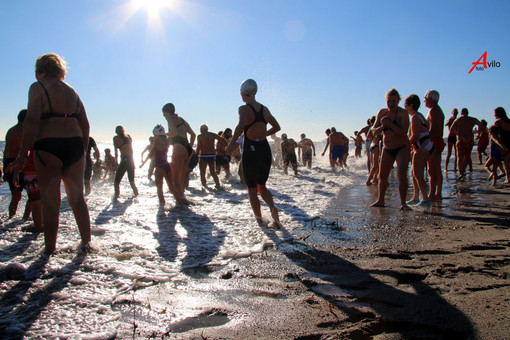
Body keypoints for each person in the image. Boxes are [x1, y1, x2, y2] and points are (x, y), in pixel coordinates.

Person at [6, 53, 91, 254]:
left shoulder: (38, 86)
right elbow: (85, 124)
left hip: (49, 146)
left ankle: (50, 251)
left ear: (41, 70)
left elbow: (32, 119)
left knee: (50, 201)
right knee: (77, 199)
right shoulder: (72, 91)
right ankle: (87, 245)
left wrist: (22, 154)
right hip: (75, 147)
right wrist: (84, 151)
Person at [226, 79, 281, 225]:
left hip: (251, 152)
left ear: (244, 93)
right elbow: (277, 127)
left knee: (252, 190)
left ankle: (260, 222)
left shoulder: (243, 109)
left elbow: (240, 126)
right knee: (262, 186)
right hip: (264, 150)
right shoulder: (265, 109)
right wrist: (263, 133)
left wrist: (231, 144)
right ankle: (272, 207)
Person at [370, 88, 411, 211]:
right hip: (387, 148)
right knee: (382, 176)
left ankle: (403, 203)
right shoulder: (382, 112)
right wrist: (383, 126)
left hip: (402, 147)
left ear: (398, 101)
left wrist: (390, 124)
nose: (391, 104)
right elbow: (373, 131)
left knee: (401, 175)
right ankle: (380, 200)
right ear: (386, 101)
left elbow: (403, 132)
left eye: (394, 101)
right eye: (389, 101)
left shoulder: (403, 113)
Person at [162, 103, 196, 203]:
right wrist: (189, 146)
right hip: (187, 149)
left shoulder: (170, 118)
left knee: (174, 177)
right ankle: (182, 198)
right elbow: (193, 135)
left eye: (163, 113)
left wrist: (162, 135)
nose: (163, 115)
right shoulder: (182, 120)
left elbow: (174, 133)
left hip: (179, 147)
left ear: (167, 112)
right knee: (181, 177)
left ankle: (181, 201)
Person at [405, 94, 433, 207]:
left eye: (406, 105)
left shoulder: (415, 117)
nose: (405, 108)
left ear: (411, 105)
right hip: (424, 147)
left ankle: (425, 199)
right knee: (413, 173)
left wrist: (405, 143)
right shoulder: (420, 116)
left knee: (418, 174)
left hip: (422, 148)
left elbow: (415, 136)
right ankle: (416, 197)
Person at [3, 109, 31, 219]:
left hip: (8, 162)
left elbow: (5, 151)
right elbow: (21, 152)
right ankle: (24, 219)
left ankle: (11, 218)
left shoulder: (11, 130)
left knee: (16, 195)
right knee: (32, 194)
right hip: (16, 163)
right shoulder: (21, 130)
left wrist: (5, 167)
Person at [145, 125, 180, 204]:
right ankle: (181, 203)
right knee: (172, 187)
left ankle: (161, 208)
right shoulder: (167, 140)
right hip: (166, 164)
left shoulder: (157, 140)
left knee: (159, 188)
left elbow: (151, 153)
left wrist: (143, 163)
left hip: (159, 165)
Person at [424, 90, 445, 201]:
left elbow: (434, 130)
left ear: (431, 99)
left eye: (425, 98)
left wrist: (423, 139)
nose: (424, 100)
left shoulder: (434, 111)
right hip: (436, 141)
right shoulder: (436, 110)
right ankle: (436, 193)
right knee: (434, 169)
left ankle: (434, 194)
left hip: (434, 141)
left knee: (433, 169)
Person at [450, 108, 482, 180]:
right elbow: (480, 124)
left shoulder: (458, 120)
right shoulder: (472, 119)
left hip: (461, 139)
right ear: (467, 112)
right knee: (467, 156)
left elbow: (452, 130)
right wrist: (478, 134)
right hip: (469, 139)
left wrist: (458, 133)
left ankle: (461, 172)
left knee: (460, 157)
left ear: (461, 113)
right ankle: (463, 170)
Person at [113, 125, 139, 197]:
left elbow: (116, 152)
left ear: (116, 131)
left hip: (124, 161)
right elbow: (131, 150)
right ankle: (137, 196)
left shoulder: (116, 138)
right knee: (132, 182)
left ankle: (116, 199)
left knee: (116, 182)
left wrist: (116, 162)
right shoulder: (129, 137)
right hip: (131, 161)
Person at [196, 124, 225, 188]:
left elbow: (198, 147)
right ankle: (218, 185)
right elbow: (221, 139)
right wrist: (226, 146)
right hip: (211, 155)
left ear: (201, 130)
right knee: (213, 172)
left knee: (202, 173)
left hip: (203, 155)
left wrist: (196, 155)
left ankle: (204, 186)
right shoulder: (212, 134)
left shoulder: (200, 136)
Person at [493, 107, 510, 183]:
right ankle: (507, 177)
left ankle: (507, 178)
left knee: (505, 161)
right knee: (506, 161)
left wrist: (499, 144)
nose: (494, 115)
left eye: (495, 113)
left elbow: (494, 135)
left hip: (504, 145)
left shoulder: (498, 123)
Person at [366, 117, 381, 186]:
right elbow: (379, 137)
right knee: (375, 165)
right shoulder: (378, 128)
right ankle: (369, 180)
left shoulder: (371, 128)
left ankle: (374, 179)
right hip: (376, 147)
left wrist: (372, 139)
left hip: (372, 146)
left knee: (375, 165)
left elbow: (368, 136)